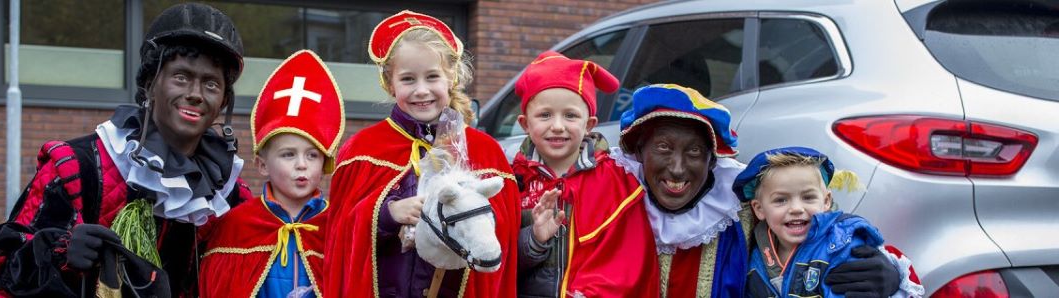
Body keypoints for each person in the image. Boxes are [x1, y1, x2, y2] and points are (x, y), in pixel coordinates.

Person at [0, 3, 251, 297]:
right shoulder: (78, 167)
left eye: (211, 84)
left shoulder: (227, 193)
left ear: (223, 101)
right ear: (150, 83)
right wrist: (59, 249)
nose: (195, 94)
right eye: (181, 77)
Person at [609, 84, 906, 297]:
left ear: (713, 160)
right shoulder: (611, 201)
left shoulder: (737, 210)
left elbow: (817, 235)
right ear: (639, 151)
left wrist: (891, 274)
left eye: (695, 151)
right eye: (663, 147)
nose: (676, 168)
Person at [321, 10, 520, 298]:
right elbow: (341, 236)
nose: (422, 90)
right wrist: (387, 213)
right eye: (408, 79)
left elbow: (504, 234)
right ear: (390, 84)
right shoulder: (362, 149)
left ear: (450, 77)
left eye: (432, 77)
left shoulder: (485, 151)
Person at [198, 50, 344, 298]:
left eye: (312, 155)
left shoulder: (338, 225)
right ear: (262, 164)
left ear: (325, 163)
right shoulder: (235, 225)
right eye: (288, 154)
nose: (302, 165)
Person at [511, 51, 657, 297]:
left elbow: (631, 261)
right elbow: (499, 264)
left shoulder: (616, 181)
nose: (557, 126)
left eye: (570, 115)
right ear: (525, 124)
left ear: (589, 124)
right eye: (545, 115)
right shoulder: (513, 180)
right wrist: (534, 239)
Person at [733, 146, 924, 297]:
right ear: (759, 209)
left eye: (808, 197)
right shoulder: (754, 254)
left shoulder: (841, 245)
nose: (797, 208)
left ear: (826, 201)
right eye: (781, 200)